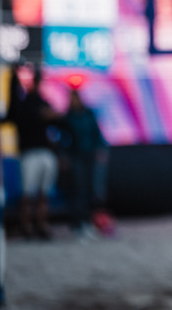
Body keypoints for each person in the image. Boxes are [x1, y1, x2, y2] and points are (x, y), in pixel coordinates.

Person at [6, 63, 60, 240]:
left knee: (43, 194)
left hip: (44, 153)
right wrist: (13, 76)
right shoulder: (22, 105)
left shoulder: (43, 103)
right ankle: (26, 226)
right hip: (29, 153)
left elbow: (58, 120)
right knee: (28, 195)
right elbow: (13, 105)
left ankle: (41, 225)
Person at [61, 88, 109, 240]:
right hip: (76, 156)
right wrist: (64, 156)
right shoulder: (68, 117)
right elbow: (64, 139)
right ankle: (78, 225)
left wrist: (101, 149)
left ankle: (88, 223)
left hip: (90, 156)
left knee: (91, 190)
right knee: (78, 190)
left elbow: (97, 134)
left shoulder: (89, 114)